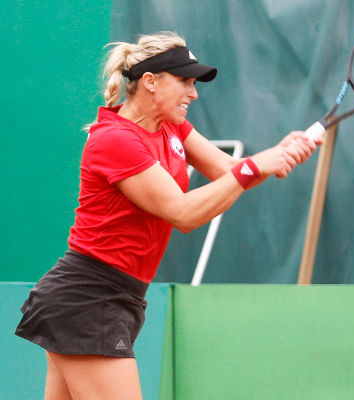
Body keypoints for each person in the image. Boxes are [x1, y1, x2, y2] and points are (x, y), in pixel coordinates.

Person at [15, 32, 321, 399]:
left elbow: (230, 171)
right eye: (185, 82)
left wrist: (276, 155)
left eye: (194, 83)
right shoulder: (114, 139)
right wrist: (254, 167)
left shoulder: (171, 127)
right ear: (150, 82)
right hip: (88, 297)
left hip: (108, 297)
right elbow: (184, 213)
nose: (193, 93)